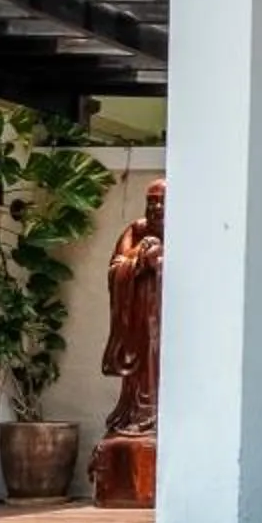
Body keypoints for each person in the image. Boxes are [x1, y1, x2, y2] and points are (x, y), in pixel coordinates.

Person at [101, 179, 165, 437]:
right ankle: (134, 411)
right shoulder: (136, 230)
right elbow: (116, 266)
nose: (156, 207)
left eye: (162, 201)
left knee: (158, 358)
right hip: (137, 311)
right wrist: (140, 256)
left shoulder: (184, 230)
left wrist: (159, 260)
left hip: (164, 316)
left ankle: (155, 412)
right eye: (151, 201)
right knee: (139, 361)